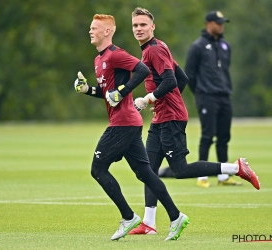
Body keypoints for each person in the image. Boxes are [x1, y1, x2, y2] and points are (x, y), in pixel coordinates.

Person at [129, 7, 260, 235]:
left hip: (171, 119)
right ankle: (149, 223)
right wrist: (162, 102)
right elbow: (183, 78)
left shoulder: (154, 50)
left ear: (153, 27)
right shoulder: (157, 47)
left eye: (143, 25)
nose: (139, 28)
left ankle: (236, 168)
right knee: (148, 169)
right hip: (163, 116)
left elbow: (170, 80)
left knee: (179, 170)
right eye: (135, 25)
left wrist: (150, 98)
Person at [74, 13, 191, 241]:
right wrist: (88, 89)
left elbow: (143, 70)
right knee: (145, 173)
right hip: (129, 122)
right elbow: (110, 96)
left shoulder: (116, 54)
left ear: (107, 31)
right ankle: (176, 217)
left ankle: (129, 218)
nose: (90, 31)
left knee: (97, 169)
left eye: (94, 28)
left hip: (124, 123)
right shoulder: (98, 60)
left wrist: (124, 91)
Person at [184, 10, 240, 188]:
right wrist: (200, 94)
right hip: (206, 97)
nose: (221, 25)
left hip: (224, 96)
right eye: (218, 22)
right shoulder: (197, 47)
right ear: (209, 23)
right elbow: (189, 75)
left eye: (223, 22)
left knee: (224, 136)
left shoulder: (225, 46)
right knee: (208, 135)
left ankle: (224, 176)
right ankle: (202, 176)